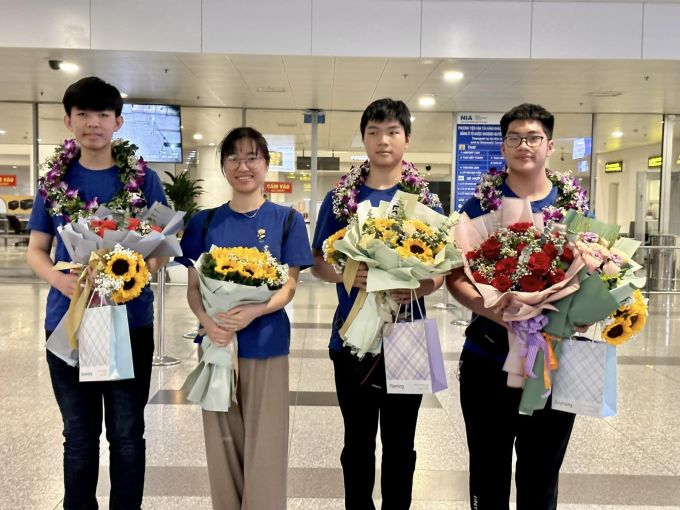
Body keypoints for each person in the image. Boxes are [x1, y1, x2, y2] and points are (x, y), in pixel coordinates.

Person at [26, 76, 169, 509]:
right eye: (83, 114)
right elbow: (37, 250)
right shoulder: (54, 184)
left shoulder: (144, 180)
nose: (93, 123)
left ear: (118, 122)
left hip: (129, 323)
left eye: (103, 114)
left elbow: (162, 248)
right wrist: (59, 278)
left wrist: (132, 275)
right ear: (68, 121)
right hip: (69, 324)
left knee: (127, 434)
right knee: (79, 437)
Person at [446, 103, 590, 510]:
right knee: (487, 475)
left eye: (533, 137)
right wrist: (498, 310)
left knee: (541, 478)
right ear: (504, 145)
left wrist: (574, 315)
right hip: (486, 355)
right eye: (514, 138)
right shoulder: (478, 207)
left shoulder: (574, 210)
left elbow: (598, 276)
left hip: (553, 361)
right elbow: (456, 277)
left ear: (550, 146)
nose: (523, 145)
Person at [311, 98, 444, 510]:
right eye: (373, 132)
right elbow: (318, 262)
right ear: (364, 138)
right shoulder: (340, 198)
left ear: (406, 138)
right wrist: (351, 273)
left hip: (407, 333)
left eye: (392, 132)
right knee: (358, 440)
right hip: (352, 334)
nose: (382, 141)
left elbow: (439, 272)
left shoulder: (425, 201)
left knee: (402, 442)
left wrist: (417, 287)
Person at [176, 127, 313, 509]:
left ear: (267, 165)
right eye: (234, 157)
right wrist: (209, 321)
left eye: (252, 157)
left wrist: (254, 310)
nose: (243, 166)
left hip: (266, 344)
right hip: (216, 345)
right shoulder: (204, 223)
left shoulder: (286, 220)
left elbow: (288, 286)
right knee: (221, 441)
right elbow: (192, 289)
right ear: (223, 166)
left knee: (265, 442)